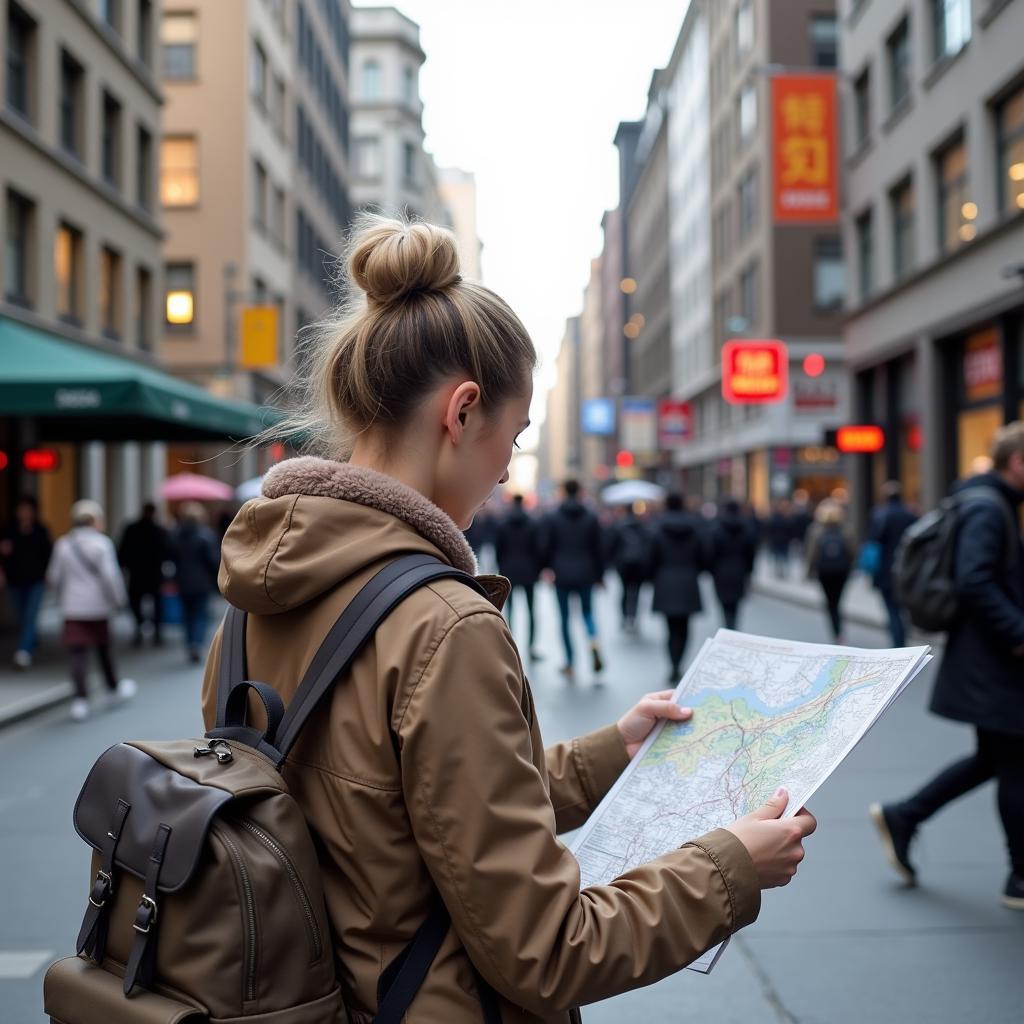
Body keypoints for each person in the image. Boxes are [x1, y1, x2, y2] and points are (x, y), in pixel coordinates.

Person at [200, 217, 814, 1020]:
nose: (505, 469)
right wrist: (729, 865)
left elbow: (399, 815)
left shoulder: (252, 599)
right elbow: (549, 951)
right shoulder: (443, 625)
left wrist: (610, 753)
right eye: (515, 436)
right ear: (461, 413)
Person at [870, 423, 1024, 910]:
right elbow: (975, 580)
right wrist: (1018, 634)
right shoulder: (988, 508)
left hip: (987, 659)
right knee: (1015, 762)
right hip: (994, 662)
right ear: (1016, 461)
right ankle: (1019, 878)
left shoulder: (986, 503)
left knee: (997, 759)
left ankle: (905, 815)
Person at [46, 500, 135, 721]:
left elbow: (53, 577)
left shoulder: (63, 544)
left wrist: (61, 596)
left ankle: (80, 700)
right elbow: (110, 578)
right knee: (103, 648)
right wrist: (119, 601)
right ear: (94, 520)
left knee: (77, 652)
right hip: (97, 607)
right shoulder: (102, 544)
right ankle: (113, 688)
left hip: (73, 607)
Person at [542, 479, 606, 678]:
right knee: (587, 613)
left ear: (563, 492)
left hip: (561, 573)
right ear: (580, 492)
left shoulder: (553, 516)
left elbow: (546, 546)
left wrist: (547, 568)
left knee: (564, 619)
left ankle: (570, 662)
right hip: (586, 571)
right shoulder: (591, 516)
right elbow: (599, 548)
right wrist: (599, 575)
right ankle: (593, 641)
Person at [650, 492, 709, 682]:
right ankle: (679, 662)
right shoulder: (695, 526)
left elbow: (651, 556)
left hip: (666, 580)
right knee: (684, 627)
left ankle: (673, 664)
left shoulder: (658, 526)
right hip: (687, 579)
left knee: (670, 628)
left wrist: (653, 577)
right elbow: (703, 555)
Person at [0, 495, 52, 668]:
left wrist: (48, 575)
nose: (24, 513)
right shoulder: (9, 530)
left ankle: (23, 651)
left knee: (30, 615)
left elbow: (48, 555)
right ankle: (31, 640)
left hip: (35, 580)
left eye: (27, 509)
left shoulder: (40, 531)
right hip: (15, 579)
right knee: (23, 615)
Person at [493, 494, 543, 661]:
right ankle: (531, 647)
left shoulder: (503, 524)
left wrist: (501, 566)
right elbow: (538, 549)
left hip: (509, 570)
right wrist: (538, 569)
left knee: (510, 611)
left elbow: (498, 550)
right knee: (531, 611)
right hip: (528, 570)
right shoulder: (533, 523)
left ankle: (511, 647)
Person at [170, 501, 221, 664]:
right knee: (200, 613)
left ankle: (190, 642)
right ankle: (197, 643)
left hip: (182, 580)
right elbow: (213, 560)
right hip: (202, 581)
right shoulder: (205, 535)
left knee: (187, 613)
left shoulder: (176, 534)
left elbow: (171, 557)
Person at [867, 481, 917, 647]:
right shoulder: (909, 515)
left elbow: (874, 542)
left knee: (892, 610)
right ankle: (901, 638)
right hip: (907, 570)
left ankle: (898, 643)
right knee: (902, 609)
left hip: (886, 570)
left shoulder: (880, 515)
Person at [118, 500, 171, 647]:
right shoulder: (159, 530)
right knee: (156, 603)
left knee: (136, 601)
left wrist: (125, 566)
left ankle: (140, 627)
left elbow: (123, 550)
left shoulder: (132, 528)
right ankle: (156, 632)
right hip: (153, 572)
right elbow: (167, 552)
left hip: (137, 572)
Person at [805, 500, 854, 643]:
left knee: (830, 602)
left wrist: (808, 572)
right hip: (841, 571)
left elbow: (811, 554)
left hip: (824, 572)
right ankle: (839, 630)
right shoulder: (846, 530)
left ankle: (836, 631)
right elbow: (853, 552)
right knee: (838, 600)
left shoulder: (815, 530)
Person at [709, 498, 757, 630]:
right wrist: (749, 571)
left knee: (724, 605)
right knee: (735, 606)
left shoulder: (717, 529)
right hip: (739, 570)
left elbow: (711, 553)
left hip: (721, 571)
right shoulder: (746, 528)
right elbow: (751, 553)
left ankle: (728, 627)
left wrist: (712, 570)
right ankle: (732, 628)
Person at [607, 502, 652, 634]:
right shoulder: (642, 527)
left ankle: (624, 616)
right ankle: (633, 616)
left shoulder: (618, 526)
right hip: (638, 564)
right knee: (636, 591)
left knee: (624, 590)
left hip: (623, 564)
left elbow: (612, 545)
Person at [764, 500, 792, 578]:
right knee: (778, 556)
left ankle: (781, 571)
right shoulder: (778, 518)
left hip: (783, 540)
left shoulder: (787, 517)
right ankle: (778, 571)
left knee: (783, 556)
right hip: (778, 540)